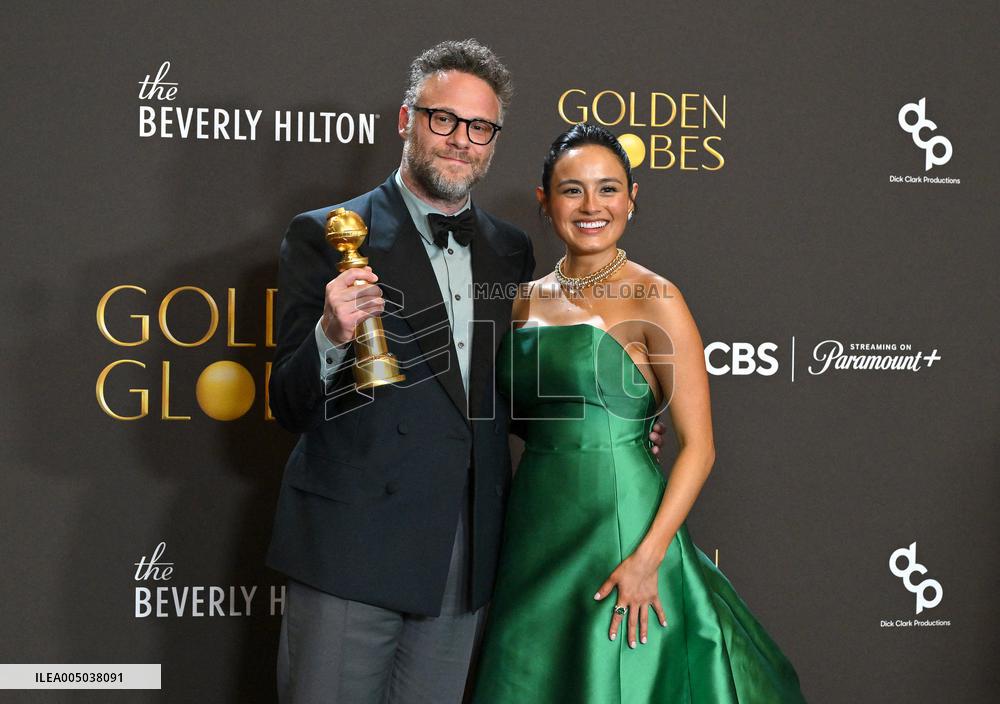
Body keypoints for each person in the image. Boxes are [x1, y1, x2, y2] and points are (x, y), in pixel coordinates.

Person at [266, 42, 666, 703]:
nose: (461, 141)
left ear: (493, 140)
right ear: (406, 121)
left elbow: (490, 396)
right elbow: (287, 404)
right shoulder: (327, 235)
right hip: (352, 549)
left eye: (479, 128)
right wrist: (330, 333)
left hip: (463, 555)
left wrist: (608, 423)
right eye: (443, 120)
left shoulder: (509, 250)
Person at [470, 123, 807, 703]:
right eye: (572, 190)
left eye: (609, 188)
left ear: (632, 197)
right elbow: (532, 416)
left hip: (621, 529)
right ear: (544, 201)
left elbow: (699, 447)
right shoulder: (525, 298)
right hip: (535, 525)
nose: (592, 206)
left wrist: (648, 558)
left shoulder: (656, 296)